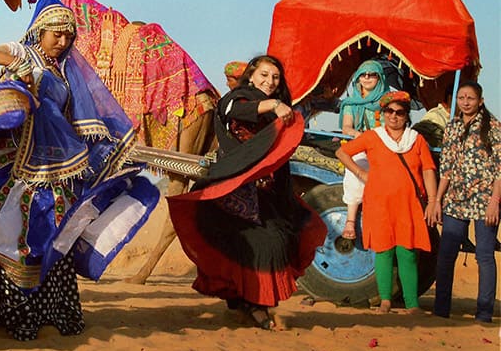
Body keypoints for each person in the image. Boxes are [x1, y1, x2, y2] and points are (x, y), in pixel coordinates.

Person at [0, 0, 159, 341]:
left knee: (55, 237)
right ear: (40, 32)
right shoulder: (25, 52)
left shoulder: (64, 71)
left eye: (67, 37)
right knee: (20, 239)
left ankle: (58, 311)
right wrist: (17, 65)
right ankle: (19, 314)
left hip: (59, 172)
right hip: (23, 169)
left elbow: (74, 120)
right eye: (55, 35)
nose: (62, 42)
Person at [169, 55, 326, 330]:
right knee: (255, 245)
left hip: (264, 193)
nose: (269, 82)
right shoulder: (237, 99)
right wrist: (274, 105)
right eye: (264, 75)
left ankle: (251, 307)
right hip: (231, 190)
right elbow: (234, 110)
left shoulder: (277, 112)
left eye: (275, 78)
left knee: (276, 242)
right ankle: (255, 309)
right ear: (251, 76)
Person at [336, 91, 438, 314]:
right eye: (389, 111)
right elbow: (342, 152)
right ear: (383, 114)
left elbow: (429, 170)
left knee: (408, 253)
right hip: (379, 204)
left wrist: (432, 200)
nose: (394, 116)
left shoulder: (416, 140)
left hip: (408, 205)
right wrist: (361, 173)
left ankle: (412, 304)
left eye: (399, 112)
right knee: (383, 252)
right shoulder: (373, 137)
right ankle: (385, 301)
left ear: (406, 116)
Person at [432, 81, 501, 323]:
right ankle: (441, 309)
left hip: (485, 199)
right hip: (455, 197)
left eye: (470, 98)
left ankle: (484, 313)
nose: (465, 102)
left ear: (480, 101)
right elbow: (447, 168)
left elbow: (499, 169)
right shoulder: (452, 127)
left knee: (484, 254)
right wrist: (437, 200)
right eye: (461, 97)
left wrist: (495, 202)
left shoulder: (493, 127)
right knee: (447, 252)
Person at [338, 60, 389, 240]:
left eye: (372, 74)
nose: (367, 78)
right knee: (356, 164)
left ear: (379, 78)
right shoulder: (352, 102)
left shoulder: (388, 100)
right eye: (363, 74)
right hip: (361, 143)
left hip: (386, 144)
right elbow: (346, 128)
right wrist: (364, 137)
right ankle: (350, 220)